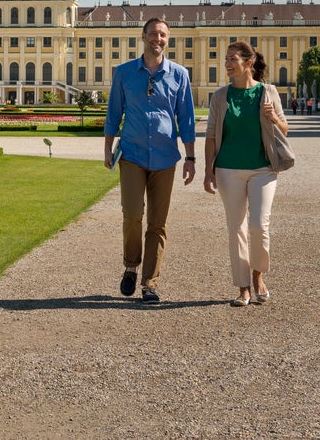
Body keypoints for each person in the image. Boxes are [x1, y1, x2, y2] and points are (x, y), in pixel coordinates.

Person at [104, 17, 197, 304]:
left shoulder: (179, 75)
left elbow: (187, 119)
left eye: (163, 35)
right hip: (131, 154)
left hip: (165, 157)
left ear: (167, 40)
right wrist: (107, 149)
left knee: (158, 223)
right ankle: (131, 266)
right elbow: (113, 113)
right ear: (143, 37)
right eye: (154, 34)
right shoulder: (124, 73)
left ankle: (150, 284)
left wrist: (191, 157)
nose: (158, 39)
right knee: (132, 214)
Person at [203, 41, 288, 307]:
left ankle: (258, 275)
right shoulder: (219, 96)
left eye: (232, 59)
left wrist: (273, 117)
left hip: (263, 168)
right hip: (228, 169)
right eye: (226, 59)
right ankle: (243, 288)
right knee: (235, 228)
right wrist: (209, 171)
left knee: (258, 226)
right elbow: (211, 136)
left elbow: (284, 129)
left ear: (248, 63)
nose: (227, 64)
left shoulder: (269, 92)